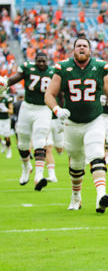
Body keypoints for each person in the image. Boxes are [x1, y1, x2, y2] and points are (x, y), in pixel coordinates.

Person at [45, 36, 108, 213]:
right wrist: (57, 110)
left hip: (94, 120)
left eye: (85, 46)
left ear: (90, 50)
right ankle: (76, 196)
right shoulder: (63, 68)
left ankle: (101, 196)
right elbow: (49, 94)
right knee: (76, 164)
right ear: (73, 49)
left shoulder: (99, 68)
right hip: (71, 123)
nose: (81, 48)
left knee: (96, 154)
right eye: (78, 45)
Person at [0, 52, 54, 190]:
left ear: (47, 61)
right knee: (23, 143)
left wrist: (59, 110)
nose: (41, 64)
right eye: (39, 61)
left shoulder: (53, 72)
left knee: (40, 139)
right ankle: (26, 167)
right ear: (35, 61)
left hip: (44, 109)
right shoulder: (28, 68)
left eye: (43, 61)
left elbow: (60, 93)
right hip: (27, 107)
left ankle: (39, 176)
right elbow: (15, 78)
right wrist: (6, 82)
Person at [0, 90, 14, 158]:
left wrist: (6, 110)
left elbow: (11, 111)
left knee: (6, 136)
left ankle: (9, 149)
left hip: (6, 120)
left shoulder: (7, 99)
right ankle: (2, 143)